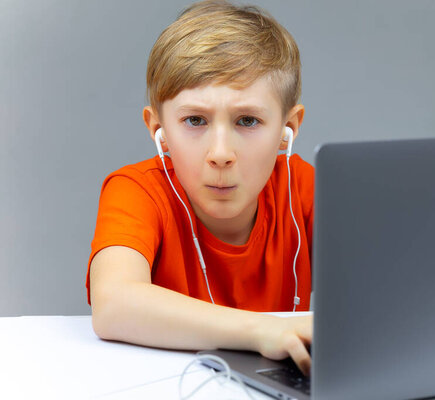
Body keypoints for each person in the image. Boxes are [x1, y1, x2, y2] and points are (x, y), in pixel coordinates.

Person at [86, 0, 313, 375]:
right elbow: (112, 304)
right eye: (195, 119)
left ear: (288, 129)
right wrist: (261, 330)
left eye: (247, 120)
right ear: (157, 130)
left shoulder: (302, 188)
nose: (220, 154)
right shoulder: (136, 191)